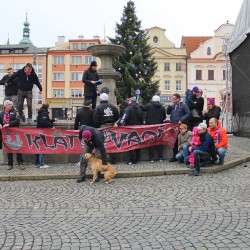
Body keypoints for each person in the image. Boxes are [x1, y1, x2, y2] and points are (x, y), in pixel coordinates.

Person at [115, 96, 143, 165]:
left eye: (129, 101)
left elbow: (124, 118)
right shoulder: (139, 108)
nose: (128, 102)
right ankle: (137, 159)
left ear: (131, 101)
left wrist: (118, 124)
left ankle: (132, 160)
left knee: (131, 144)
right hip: (138, 128)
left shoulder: (128, 109)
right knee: (137, 143)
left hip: (130, 128)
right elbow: (142, 119)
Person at [93, 93, 119, 164]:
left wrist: (97, 127)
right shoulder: (113, 107)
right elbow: (117, 116)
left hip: (102, 127)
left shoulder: (98, 107)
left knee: (102, 143)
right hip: (112, 126)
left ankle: (103, 159)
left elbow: (95, 119)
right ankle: (113, 159)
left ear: (101, 99)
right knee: (112, 142)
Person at [140, 95, 166, 162]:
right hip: (159, 128)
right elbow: (164, 117)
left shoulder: (149, 106)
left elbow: (142, 108)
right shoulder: (162, 108)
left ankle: (151, 158)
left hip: (150, 128)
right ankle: (160, 157)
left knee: (150, 142)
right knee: (159, 142)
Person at [0, 100, 24, 170]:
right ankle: (10, 164)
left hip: (16, 133)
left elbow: (17, 120)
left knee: (18, 148)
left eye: (11, 104)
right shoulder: (2, 113)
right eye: (9, 104)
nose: (11, 105)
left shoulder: (15, 112)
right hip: (7, 134)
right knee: (9, 148)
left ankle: (20, 163)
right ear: (5, 106)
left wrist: (9, 124)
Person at [166, 93, 191, 162]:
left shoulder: (183, 105)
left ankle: (185, 155)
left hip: (181, 125)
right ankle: (175, 156)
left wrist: (181, 120)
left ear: (178, 99)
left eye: (174, 99)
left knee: (182, 140)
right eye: (172, 99)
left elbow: (188, 113)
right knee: (174, 140)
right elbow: (168, 113)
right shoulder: (173, 106)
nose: (173, 100)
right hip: (174, 126)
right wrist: (169, 106)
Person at [74, 99, 94, 166]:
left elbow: (76, 122)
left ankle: (81, 161)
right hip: (91, 131)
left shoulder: (79, 112)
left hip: (82, 131)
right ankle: (92, 160)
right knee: (92, 146)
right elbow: (94, 121)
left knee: (83, 147)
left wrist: (75, 130)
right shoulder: (92, 111)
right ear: (89, 105)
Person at [35, 104, 56, 168]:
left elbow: (45, 120)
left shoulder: (41, 112)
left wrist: (52, 120)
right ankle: (41, 164)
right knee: (42, 147)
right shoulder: (44, 113)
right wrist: (51, 126)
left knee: (38, 147)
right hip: (42, 132)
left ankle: (37, 163)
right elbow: (43, 122)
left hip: (38, 131)